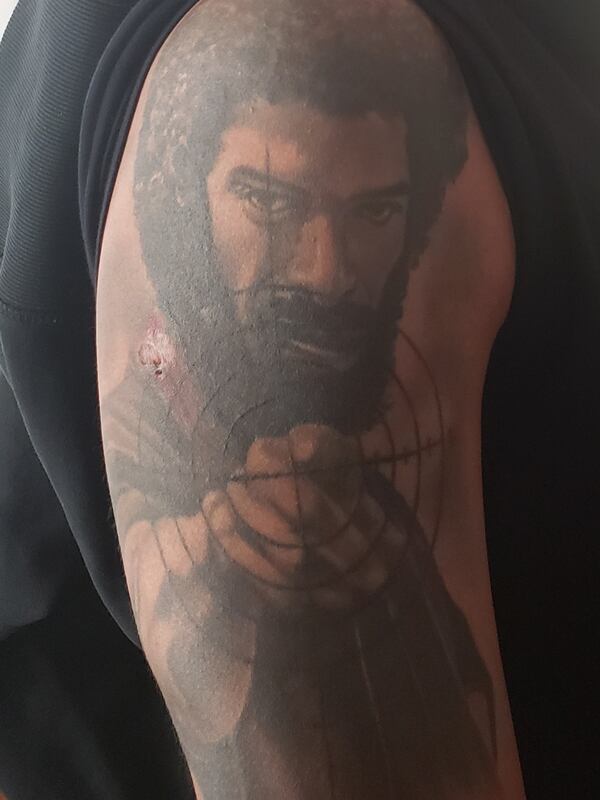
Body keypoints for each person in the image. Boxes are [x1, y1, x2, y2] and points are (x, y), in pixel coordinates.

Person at [1, 1, 598, 798]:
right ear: (185, 197)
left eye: (376, 212)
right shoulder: (280, 54)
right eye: (268, 202)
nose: (324, 275)